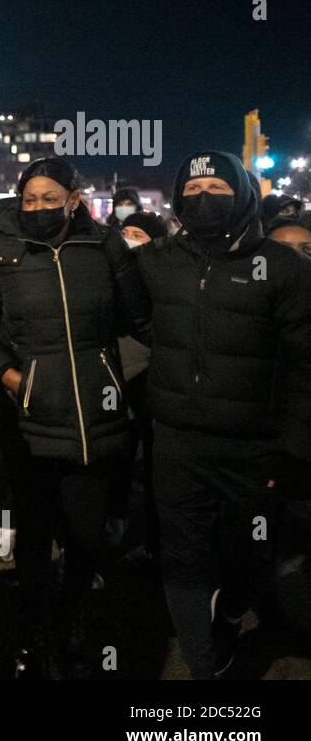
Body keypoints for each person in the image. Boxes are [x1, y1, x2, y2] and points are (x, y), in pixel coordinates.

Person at [0, 157, 151, 679]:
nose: (39, 208)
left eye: (50, 198)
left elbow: (138, 318)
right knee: (35, 540)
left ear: (74, 198)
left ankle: (71, 627)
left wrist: (117, 375)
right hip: (27, 419)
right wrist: (9, 378)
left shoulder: (104, 244)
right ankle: (30, 636)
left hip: (94, 415)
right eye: (29, 199)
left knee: (87, 538)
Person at [134, 151, 311, 679]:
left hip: (254, 448)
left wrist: (296, 449)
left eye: (217, 186)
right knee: (184, 557)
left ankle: (232, 612)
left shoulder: (285, 270)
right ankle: (206, 667)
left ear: (245, 195)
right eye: (193, 188)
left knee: (249, 556)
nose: (204, 197)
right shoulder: (155, 261)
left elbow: (304, 367)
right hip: (176, 443)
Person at [106, 210, 170, 561]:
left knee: (155, 465)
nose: (130, 238)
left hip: (153, 378)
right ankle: (114, 519)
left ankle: (155, 539)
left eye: (139, 234)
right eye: (126, 231)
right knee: (118, 455)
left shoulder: (164, 276)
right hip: (119, 376)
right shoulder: (110, 272)